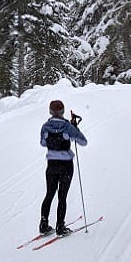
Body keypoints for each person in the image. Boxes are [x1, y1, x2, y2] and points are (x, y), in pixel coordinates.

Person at [39, 100, 87, 236]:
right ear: (62, 111)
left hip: (52, 164)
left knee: (49, 194)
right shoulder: (67, 126)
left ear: (50, 111)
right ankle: (60, 227)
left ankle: (43, 225)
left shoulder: (45, 126)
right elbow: (83, 142)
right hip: (66, 165)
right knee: (62, 196)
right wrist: (75, 128)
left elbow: (43, 143)